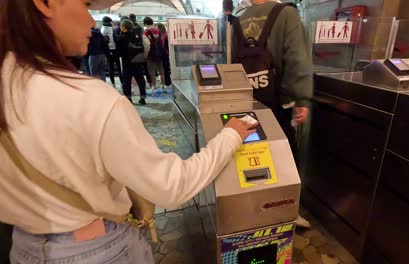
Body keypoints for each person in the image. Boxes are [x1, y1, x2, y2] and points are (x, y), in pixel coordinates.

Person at [0, 1, 256, 263]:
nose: (91, 20)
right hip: (97, 250)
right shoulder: (90, 99)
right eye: (85, 4)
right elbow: (171, 186)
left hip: (25, 247)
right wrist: (230, 135)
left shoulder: (9, 78)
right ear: (46, 4)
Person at [232, 0, 313, 228]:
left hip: (247, 102)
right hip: (278, 102)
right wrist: (302, 98)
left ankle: (251, 210)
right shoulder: (286, 14)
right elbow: (297, 58)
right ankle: (287, 212)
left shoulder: (238, 19)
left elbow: (231, 63)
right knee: (285, 155)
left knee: (251, 154)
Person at [115, 19, 148, 105]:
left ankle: (128, 99)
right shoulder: (138, 35)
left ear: (124, 27)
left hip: (127, 62)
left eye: (121, 26)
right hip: (137, 60)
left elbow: (119, 52)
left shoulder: (121, 38)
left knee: (127, 81)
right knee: (140, 80)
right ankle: (143, 98)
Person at [143, 17, 166, 93]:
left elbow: (146, 44)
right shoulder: (158, 31)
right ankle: (163, 85)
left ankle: (154, 86)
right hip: (159, 54)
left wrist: (145, 55)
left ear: (145, 24)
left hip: (151, 55)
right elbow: (162, 43)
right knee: (161, 71)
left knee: (152, 72)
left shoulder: (146, 32)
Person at [101, 16, 122, 87]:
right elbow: (116, 39)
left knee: (110, 66)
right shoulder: (113, 29)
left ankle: (113, 83)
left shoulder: (102, 29)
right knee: (119, 66)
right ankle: (122, 82)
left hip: (107, 50)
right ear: (109, 22)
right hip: (115, 49)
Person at [156, 23, 172, 89]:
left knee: (165, 69)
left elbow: (165, 46)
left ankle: (167, 82)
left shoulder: (164, 36)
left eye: (156, 27)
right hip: (164, 54)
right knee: (164, 69)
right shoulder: (163, 35)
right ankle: (166, 82)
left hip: (164, 54)